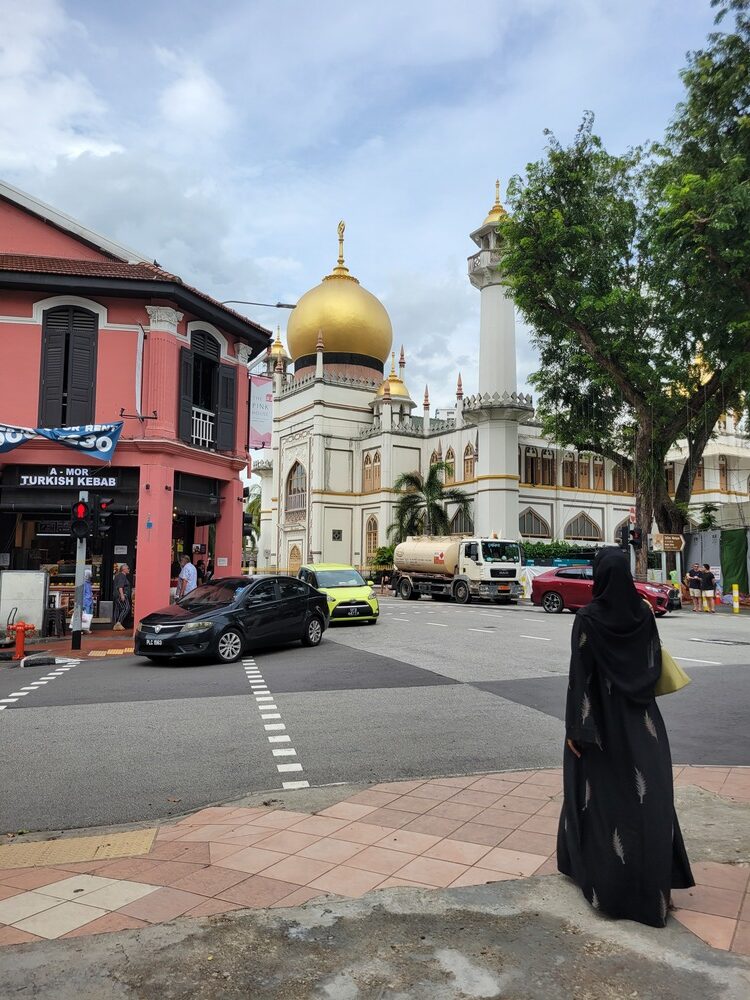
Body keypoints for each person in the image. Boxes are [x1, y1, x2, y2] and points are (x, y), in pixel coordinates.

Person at [557, 547, 694, 928]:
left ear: (600, 577)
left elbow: (580, 677)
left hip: (600, 725)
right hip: (642, 723)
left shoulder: (587, 619)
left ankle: (607, 888)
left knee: (600, 800)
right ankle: (653, 890)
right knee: (648, 801)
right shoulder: (645, 614)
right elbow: (652, 664)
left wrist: (577, 729)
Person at [112, 564, 131, 631]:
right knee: (126, 608)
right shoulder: (122, 576)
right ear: (124, 569)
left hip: (116, 595)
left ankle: (115, 624)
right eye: (128, 568)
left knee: (117, 609)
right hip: (121, 595)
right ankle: (118, 623)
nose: (129, 569)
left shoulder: (117, 576)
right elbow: (120, 586)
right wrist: (122, 595)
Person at [82, 568, 94, 633]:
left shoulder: (88, 583)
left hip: (89, 601)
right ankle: (85, 628)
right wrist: (83, 604)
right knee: (86, 615)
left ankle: (86, 628)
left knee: (89, 615)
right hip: (86, 602)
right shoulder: (84, 583)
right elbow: (83, 594)